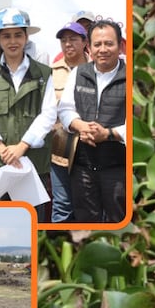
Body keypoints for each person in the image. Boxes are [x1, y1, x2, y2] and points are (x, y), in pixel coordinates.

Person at [0, 8, 56, 222]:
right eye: (6, 36)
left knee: (34, 224)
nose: (13, 41)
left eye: (18, 35)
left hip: (32, 163)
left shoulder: (43, 73)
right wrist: (1, 148)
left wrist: (21, 147)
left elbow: (47, 114)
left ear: (26, 37)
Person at [56, 19, 128, 223]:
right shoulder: (79, 73)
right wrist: (81, 126)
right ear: (89, 47)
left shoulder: (131, 75)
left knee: (118, 220)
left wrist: (109, 133)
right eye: (97, 44)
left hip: (118, 166)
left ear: (120, 45)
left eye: (109, 43)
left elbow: (136, 123)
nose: (102, 49)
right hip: (82, 166)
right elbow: (65, 109)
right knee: (86, 223)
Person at [48, 21, 90, 222]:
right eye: (63, 40)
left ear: (85, 42)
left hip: (90, 149)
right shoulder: (51, 72)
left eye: (73, 39)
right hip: (59, 150)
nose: (67, 44)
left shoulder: (97, 69)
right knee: (62, 204)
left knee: (88, 204)